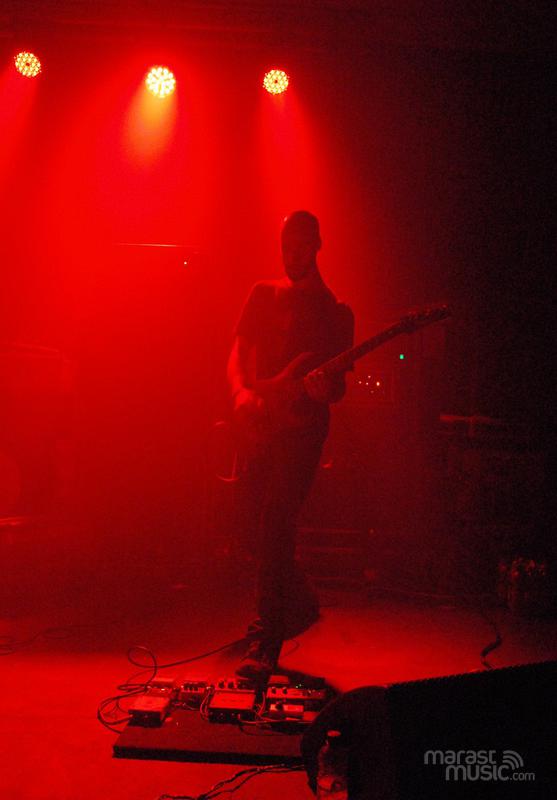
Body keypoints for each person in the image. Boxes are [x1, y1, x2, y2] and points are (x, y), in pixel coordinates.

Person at [227, 210, 354, 679]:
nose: (290, 254)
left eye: (299, 245)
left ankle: (266, 637)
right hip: (263, 421)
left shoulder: (336, 312)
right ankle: (300, 600)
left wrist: (324, 390)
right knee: (250, 526)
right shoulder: (262, 293)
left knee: (276, 519)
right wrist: (240, 393)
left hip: (303, 431)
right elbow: (237, 353)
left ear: (317, 245)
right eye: (284, 245)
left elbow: (337, 388)